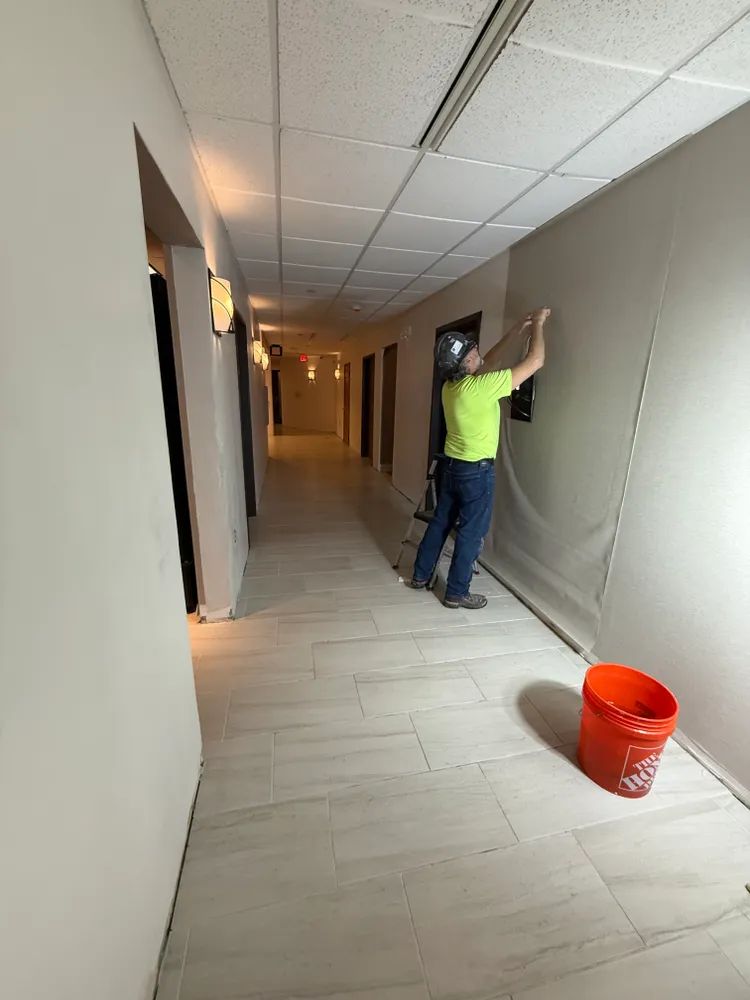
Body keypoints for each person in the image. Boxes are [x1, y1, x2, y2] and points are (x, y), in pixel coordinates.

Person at [408, 307, 551, 609]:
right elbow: (536, 361)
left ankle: (420, 576)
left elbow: (488, 360)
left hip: (452, 469)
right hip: (476, 473)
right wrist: (538, 324)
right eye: (473, 351)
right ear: (466, 362)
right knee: (471, 532)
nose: (478, 353)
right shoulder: (482, 387)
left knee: (440, 524)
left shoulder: (452, 387)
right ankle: (456, 592)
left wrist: (514, 332)